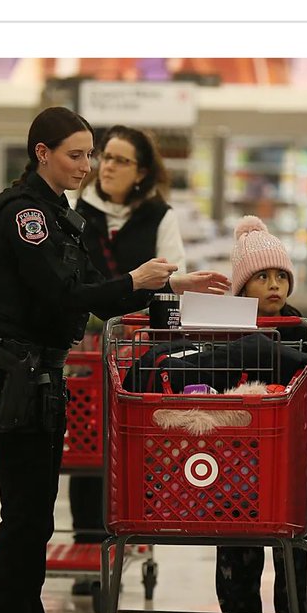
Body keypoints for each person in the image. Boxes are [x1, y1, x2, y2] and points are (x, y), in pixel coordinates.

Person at [0, 107, 227, 613]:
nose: (88, 167)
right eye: (77, 155)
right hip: (16, 377)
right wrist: (136, 280)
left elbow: (98, 298)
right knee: (23, 524)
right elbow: (67, 294)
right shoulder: (24, 215)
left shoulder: (57, 212)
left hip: (40, 378)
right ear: (41, 153)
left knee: (30, 526)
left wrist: (169, 288)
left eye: (93, 156)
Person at [213, 217, 307, 613]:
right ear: (242, 285)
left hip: (287, 466)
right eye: (263, 277)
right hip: (232, 465)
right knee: (236, 551)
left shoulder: (303, 331)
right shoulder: (222, 330)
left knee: (296, 553)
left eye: (281, 276)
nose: (275, 285)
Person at [68, 126, 188, 558]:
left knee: (134, 445)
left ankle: (130, 534)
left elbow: (173, 280)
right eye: (107, 158)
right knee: (85, 446)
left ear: (141, 172)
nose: (108, 167)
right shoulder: (77, 209)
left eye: (120, 160)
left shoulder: (160, 216)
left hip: (137, 350)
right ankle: (87, 544)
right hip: (81, 350)